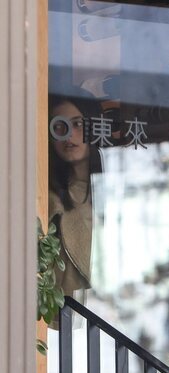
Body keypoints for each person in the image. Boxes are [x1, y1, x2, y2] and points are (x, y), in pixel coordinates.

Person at [48, 92, 103, 308]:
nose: (68, 135)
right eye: (59, 127)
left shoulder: (115, 188)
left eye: (78, 124)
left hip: (108, 321)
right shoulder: (48, 199)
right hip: (61, 326)